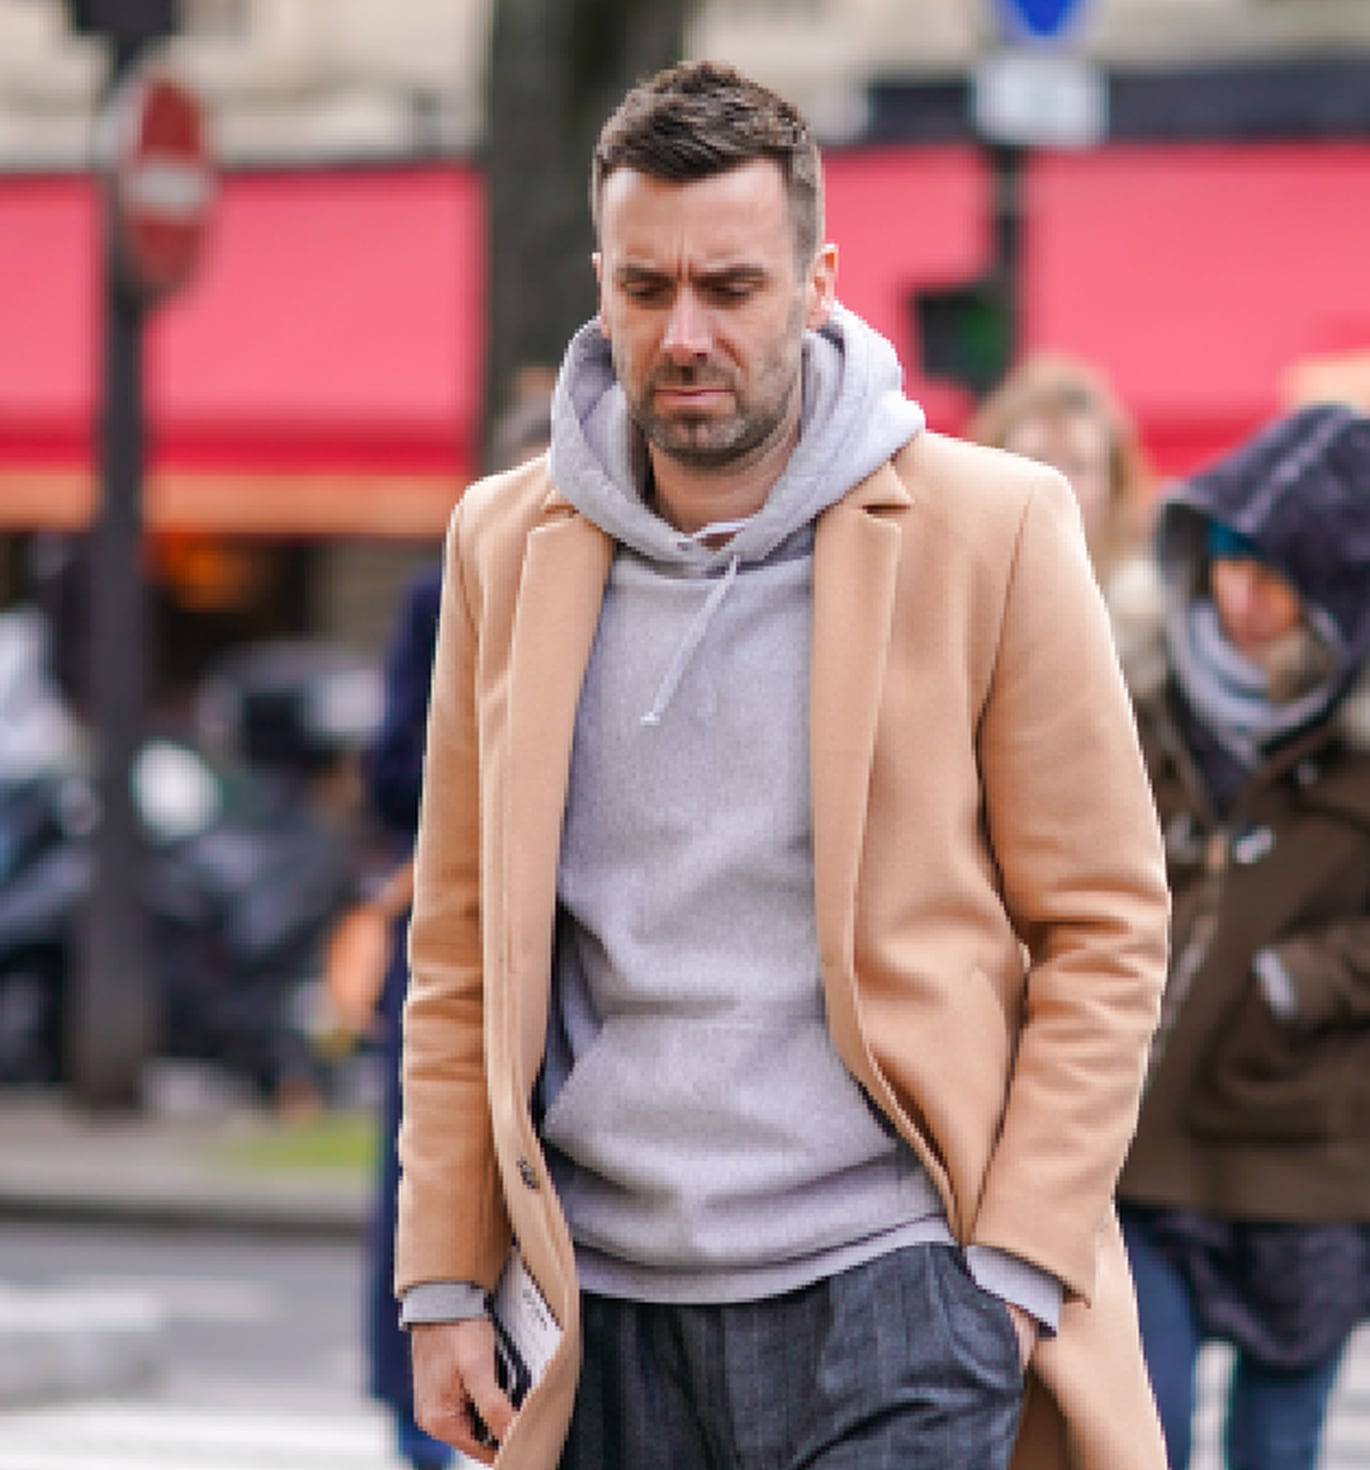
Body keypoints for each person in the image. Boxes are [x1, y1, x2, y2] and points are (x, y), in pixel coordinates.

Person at [395, 61, 1170, 1470]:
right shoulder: (502, 547)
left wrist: (1012, 1267)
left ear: (817, 283)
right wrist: (445, 1275)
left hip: (897, 1284)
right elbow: (458, 942)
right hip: (602, 1305)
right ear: (601, 282)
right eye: (645, 289)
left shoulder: (991, 529)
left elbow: (1107, 924)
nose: (684, 333)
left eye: (731, 288)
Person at [1111, 404, 1370, 1470]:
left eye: (1274, 573)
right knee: (1142, 1437)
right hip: (1149, 1136)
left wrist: (1301, 980)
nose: (1240, 595)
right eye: (1227, 559)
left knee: (1275, 1449)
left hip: (1319, 1153)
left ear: (1335, 587)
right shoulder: (1144, 685)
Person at [351, 386, 555, 1470]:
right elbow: (391, 775)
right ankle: (421, 1425)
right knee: (423, 1182)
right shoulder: (446, 596)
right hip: (459, 934)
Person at [968, 354, 1151, 587]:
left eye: (1079, 466)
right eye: (1035, 462)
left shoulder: (1162, 603)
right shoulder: (962, 590)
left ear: (1115, 485)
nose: (1057, 485)